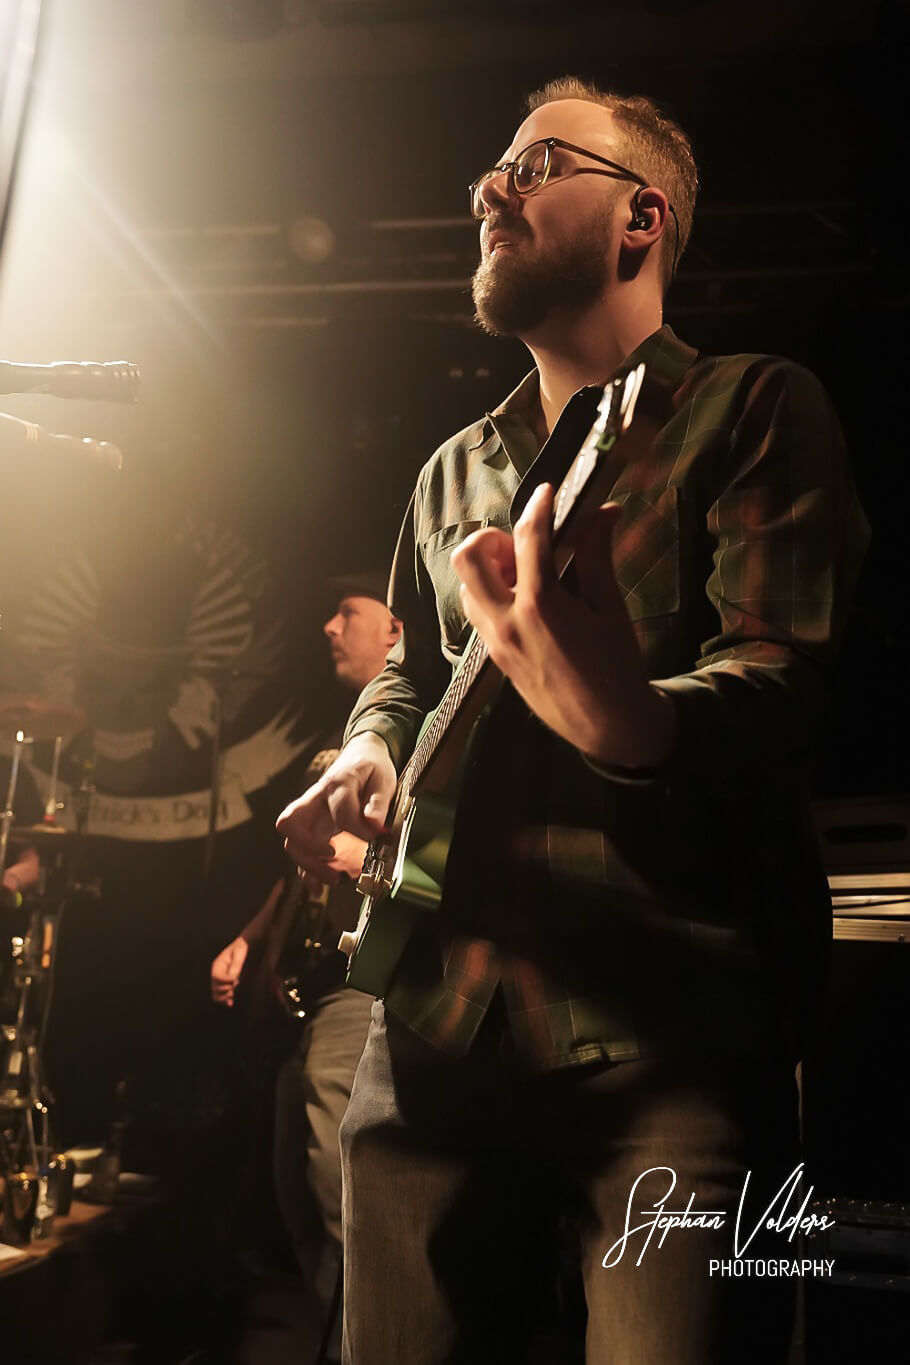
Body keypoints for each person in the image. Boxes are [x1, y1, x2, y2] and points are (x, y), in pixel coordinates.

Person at [277, 78, 868, 1365]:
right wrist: (368, 751)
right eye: (491, 172)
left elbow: (779, 683)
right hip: (435, 1023)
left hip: (672, 1035)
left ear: (640, 218)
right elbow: (406, 677)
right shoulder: (450, 467)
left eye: (537, 165)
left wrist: (624, 717)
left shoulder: (755, 408)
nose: (491, 190)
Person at [211, 575, 400, 1360]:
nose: (328, 626)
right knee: (293, 1183)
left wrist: (372, 863)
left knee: (335, 1187)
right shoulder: (341, 731)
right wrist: (249, 937)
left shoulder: (415, 727)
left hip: (359, 985)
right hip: (302, 993)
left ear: (395, 630)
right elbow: (300, 870)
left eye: (347, 613)